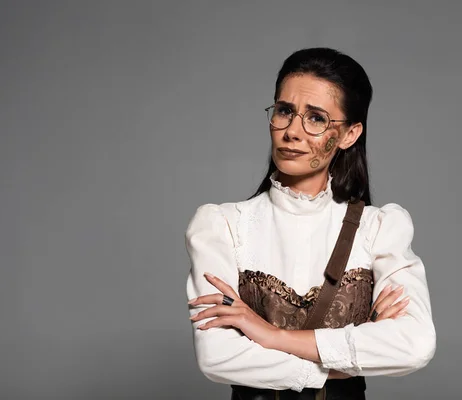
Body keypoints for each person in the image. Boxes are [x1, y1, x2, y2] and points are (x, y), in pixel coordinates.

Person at [185, 47, 436, 400]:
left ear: (350, 134)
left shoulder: (379, 228)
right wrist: (349, 355)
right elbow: (217, 357)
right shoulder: (223, 226)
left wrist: (272, 337)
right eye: (285, 111)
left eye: (316, 118)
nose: (292, 131)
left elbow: (415, 344)